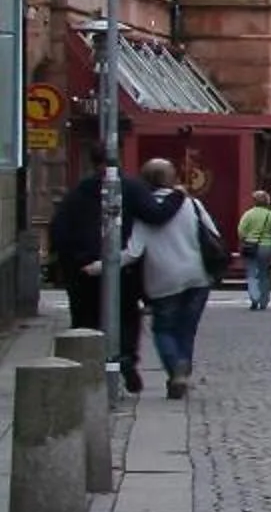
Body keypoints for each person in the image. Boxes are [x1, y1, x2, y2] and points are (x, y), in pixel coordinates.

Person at [45, 137, 171, 393]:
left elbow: (58, 229)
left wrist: (67, 261)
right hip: (121, 267)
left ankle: (87, 368)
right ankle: (125, 357)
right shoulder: (131, 187)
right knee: (126, 315)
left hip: (82, 268)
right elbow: (155, 216)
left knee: (85, 318)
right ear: (119, 158)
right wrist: (177, 198)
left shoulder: (79, 191)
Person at [123, 158, 220, 400]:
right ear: (173, 177)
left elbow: (133, 251)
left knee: (164, 328)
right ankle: (182, 371)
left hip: (163, 278)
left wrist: (102, 264)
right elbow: (213, 234)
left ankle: (175, 370)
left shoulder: (143, 210)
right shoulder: (192, 204)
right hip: (197, 274)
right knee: (187, 329)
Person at [238, 190, 271, 310]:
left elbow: (241, 231)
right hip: (266, 246)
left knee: (251, 273)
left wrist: (245, 239)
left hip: (251, 245)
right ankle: (264, 300)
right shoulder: (270, 215)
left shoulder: (248, 214)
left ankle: (254, 298)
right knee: (264, 274)